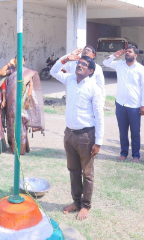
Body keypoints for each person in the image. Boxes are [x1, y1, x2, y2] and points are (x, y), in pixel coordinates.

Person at [51, 52, 104, 220]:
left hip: (86, 136)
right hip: (70, 134)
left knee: (87, 173)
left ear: (90, 71)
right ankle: (76, 201)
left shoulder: (94, 88)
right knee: (73, 170)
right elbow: (53, 71)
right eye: (78, 63)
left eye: (84, 65)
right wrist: (66, 59)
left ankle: (86, 206)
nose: (79, 65)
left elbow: (99, 116)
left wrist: (99, 141)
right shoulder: (71, 80)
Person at [103, 46, 144, 162]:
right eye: (126, 52)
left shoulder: (141, 69)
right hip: (120, 104)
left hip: (134, 106)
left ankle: (136, 156)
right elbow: (105, 62)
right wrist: (115, 55)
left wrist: (143, 104)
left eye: (130, 52)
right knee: (122, 131)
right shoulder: (119, 64)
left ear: (136, 55)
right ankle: (123, 153)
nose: (127, 53)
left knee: (135, 132)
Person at [0, 57, 45, 155]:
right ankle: (12, 146)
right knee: (11, 122)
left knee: (20, 122)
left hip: (21, 100)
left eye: (21, 59)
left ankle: (21, 148)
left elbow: (31, 86)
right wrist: (8, 64)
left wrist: (27, 100)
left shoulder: (28, 72)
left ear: (24, 61)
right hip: (10, 100)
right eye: (16, 59)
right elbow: (1, 73)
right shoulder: (11, 70)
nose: (18, 61)